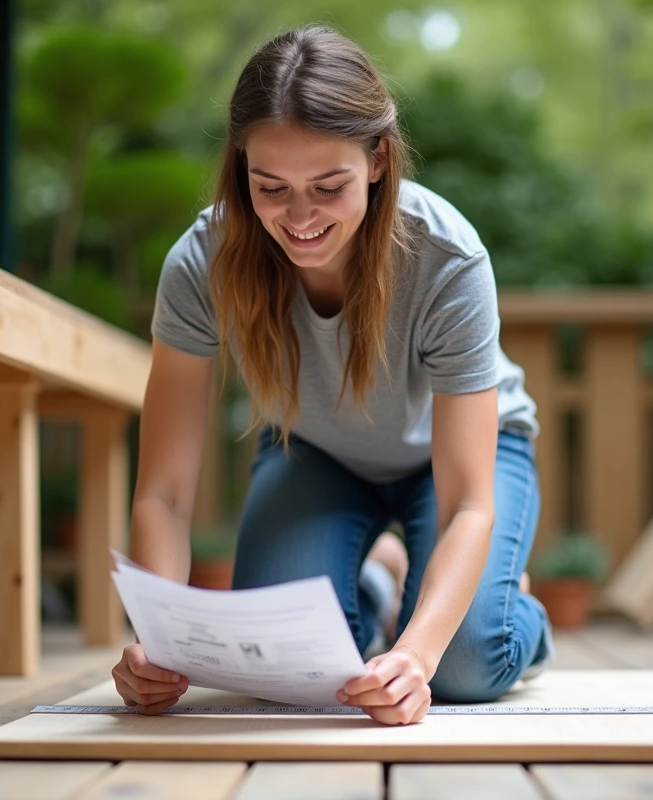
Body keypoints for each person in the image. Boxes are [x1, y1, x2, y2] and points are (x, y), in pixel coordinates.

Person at [111, 24, 554, 726]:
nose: (299, 217)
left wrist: (419, 658)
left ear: (378, 159)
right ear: (241, 167)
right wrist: (156, 644)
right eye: (270, 187)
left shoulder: (448, 258)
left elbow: (469, 503)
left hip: (460, 463)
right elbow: (163, 492)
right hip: (315, 452)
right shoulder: (201, 262)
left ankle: (509, 609)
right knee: (288, 670)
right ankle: (381, 583)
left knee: (464, 664)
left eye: (328, 186)